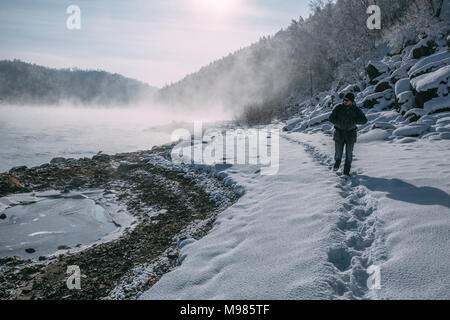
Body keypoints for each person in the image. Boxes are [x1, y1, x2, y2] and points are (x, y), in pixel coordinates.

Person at [329, 92, 368, 176]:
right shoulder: (338, 108)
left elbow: (364, 120)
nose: (345, 101)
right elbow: (331, 118)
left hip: (351, 134)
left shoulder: (356, 109)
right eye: (344, 99)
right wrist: (339, 123)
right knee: (338, 154)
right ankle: (336, 168)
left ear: (352, 101)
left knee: (349, 154)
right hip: (339, 133)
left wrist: (355, 121)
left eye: (347, 100)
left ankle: (346, 172)